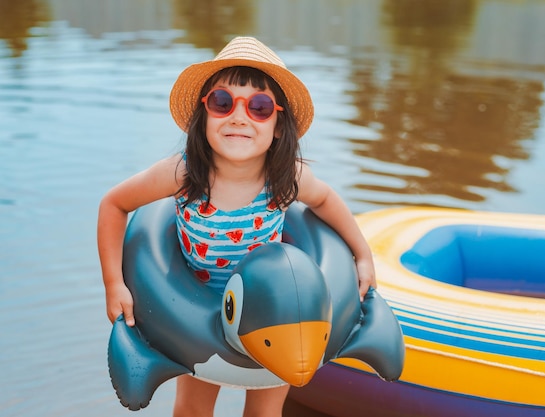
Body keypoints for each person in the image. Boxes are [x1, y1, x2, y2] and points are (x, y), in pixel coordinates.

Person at [97, 36, 376, 417]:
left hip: (273, 315)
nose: (239, 117)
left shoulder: (284, 179)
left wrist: (363, 256)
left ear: (278, 126)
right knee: (192, 409)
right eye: (222, 103)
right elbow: (114, 204)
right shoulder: (184, 174)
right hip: (193, 310)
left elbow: (327, 200)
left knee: (264, 412)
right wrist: (114, 283)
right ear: (204, 114)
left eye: (260, 107)